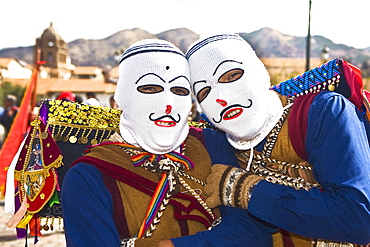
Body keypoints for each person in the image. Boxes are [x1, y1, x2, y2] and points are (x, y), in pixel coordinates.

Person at [61, 39, 264, 247]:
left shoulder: (211, 145)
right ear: (122, 98)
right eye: (150, 88)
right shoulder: (88, 177)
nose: (168, 104)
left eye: (180, 91)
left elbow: (252, 233)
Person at [185, 34, 370, 246]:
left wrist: (247, 190)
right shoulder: (216, 140)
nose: (221, 98)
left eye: (231, 76)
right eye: (204, 92)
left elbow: (359, 220)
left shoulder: (322, 112)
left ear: (259, 72)